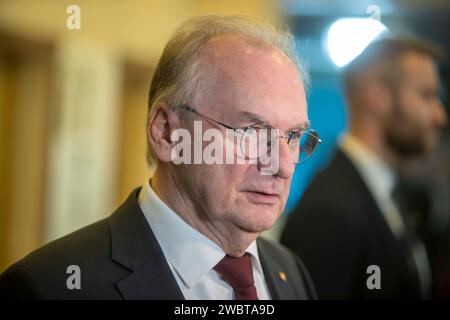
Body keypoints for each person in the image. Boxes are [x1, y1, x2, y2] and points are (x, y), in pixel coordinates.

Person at [0, 15, 320, 300]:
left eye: (293, 136)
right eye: (251, 131)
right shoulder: (48, 287)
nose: (282, 165)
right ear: (167, 133)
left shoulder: (290, 272)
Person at [281, 36, 447, 299]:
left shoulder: (392, 193)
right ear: (378, 97)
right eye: (427, 95)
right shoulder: (329, 209)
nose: (440, 115)